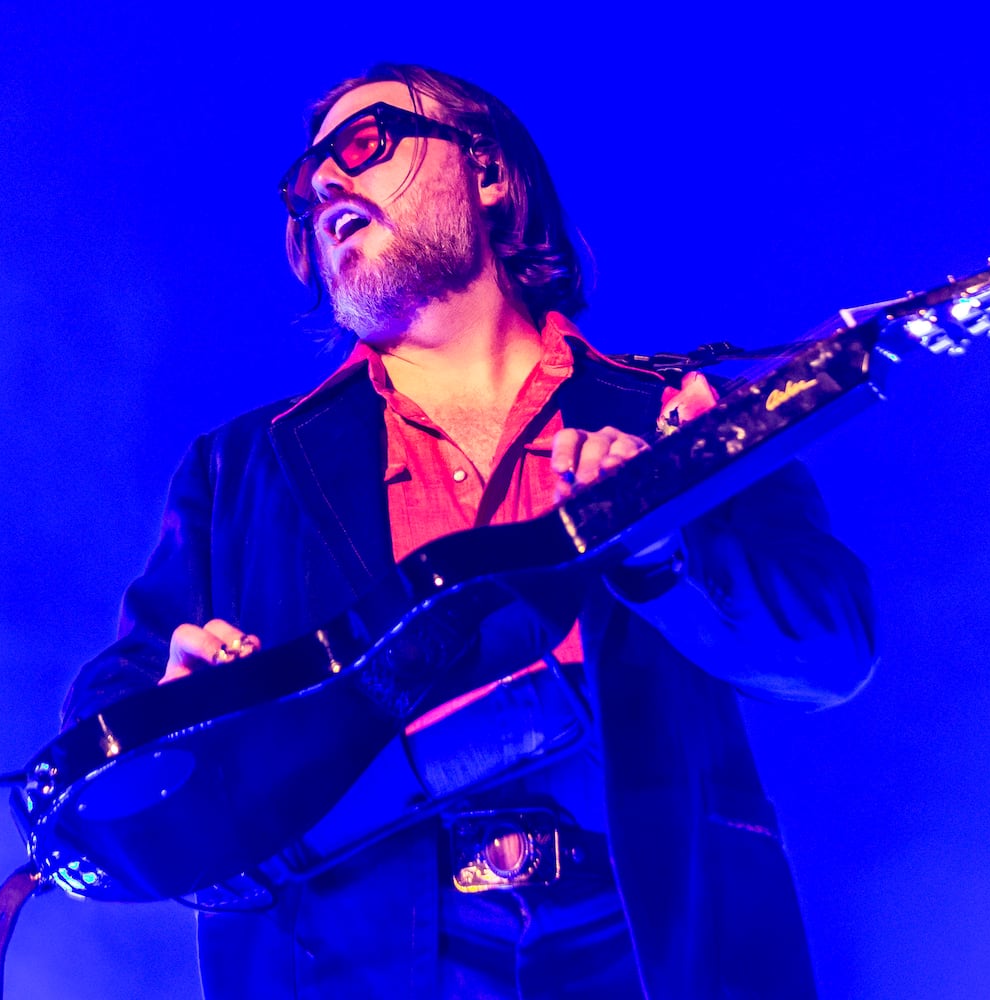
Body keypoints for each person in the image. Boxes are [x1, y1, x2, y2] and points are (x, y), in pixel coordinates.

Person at [62, 63, 876, 999]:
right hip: (350, 950)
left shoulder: (675, 421)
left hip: (650, 943)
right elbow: (106, 728)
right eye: (304, 183)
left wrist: (662, 552)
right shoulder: (240, 469)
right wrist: (176, 715)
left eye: (361, 146)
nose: (324, 183)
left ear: (486, 171)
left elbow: (831, 653)